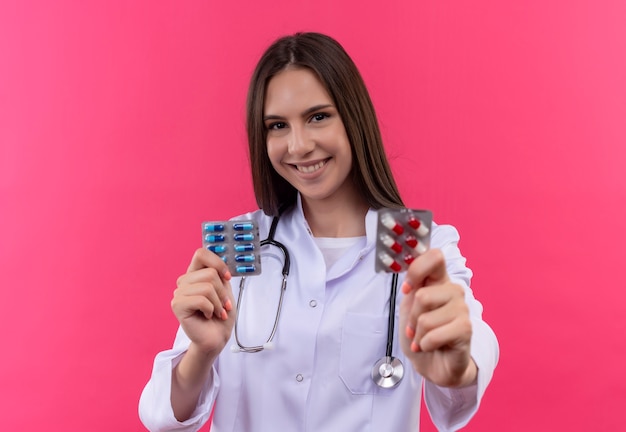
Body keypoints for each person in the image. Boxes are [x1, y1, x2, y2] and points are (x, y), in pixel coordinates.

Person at [139, 32, 499, 431]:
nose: (298, 146)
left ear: (353, 117)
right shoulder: (241, 241)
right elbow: (161, 417)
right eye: (277, 125)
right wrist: (202, 352)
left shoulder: (411, 243)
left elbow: (469, 351)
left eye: (318, 117)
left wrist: (458, 362)